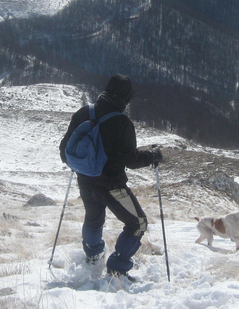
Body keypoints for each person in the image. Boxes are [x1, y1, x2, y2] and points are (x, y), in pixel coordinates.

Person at [59, 74, 163, 279]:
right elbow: (131, 161)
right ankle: (117, 267)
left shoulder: (83, 113)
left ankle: (92, 255)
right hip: (112, 186)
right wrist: (153, 156)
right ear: (126, 98)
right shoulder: (122, 122)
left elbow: (64, 150)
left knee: (94, 218)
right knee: (138, 223)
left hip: (85, 180)